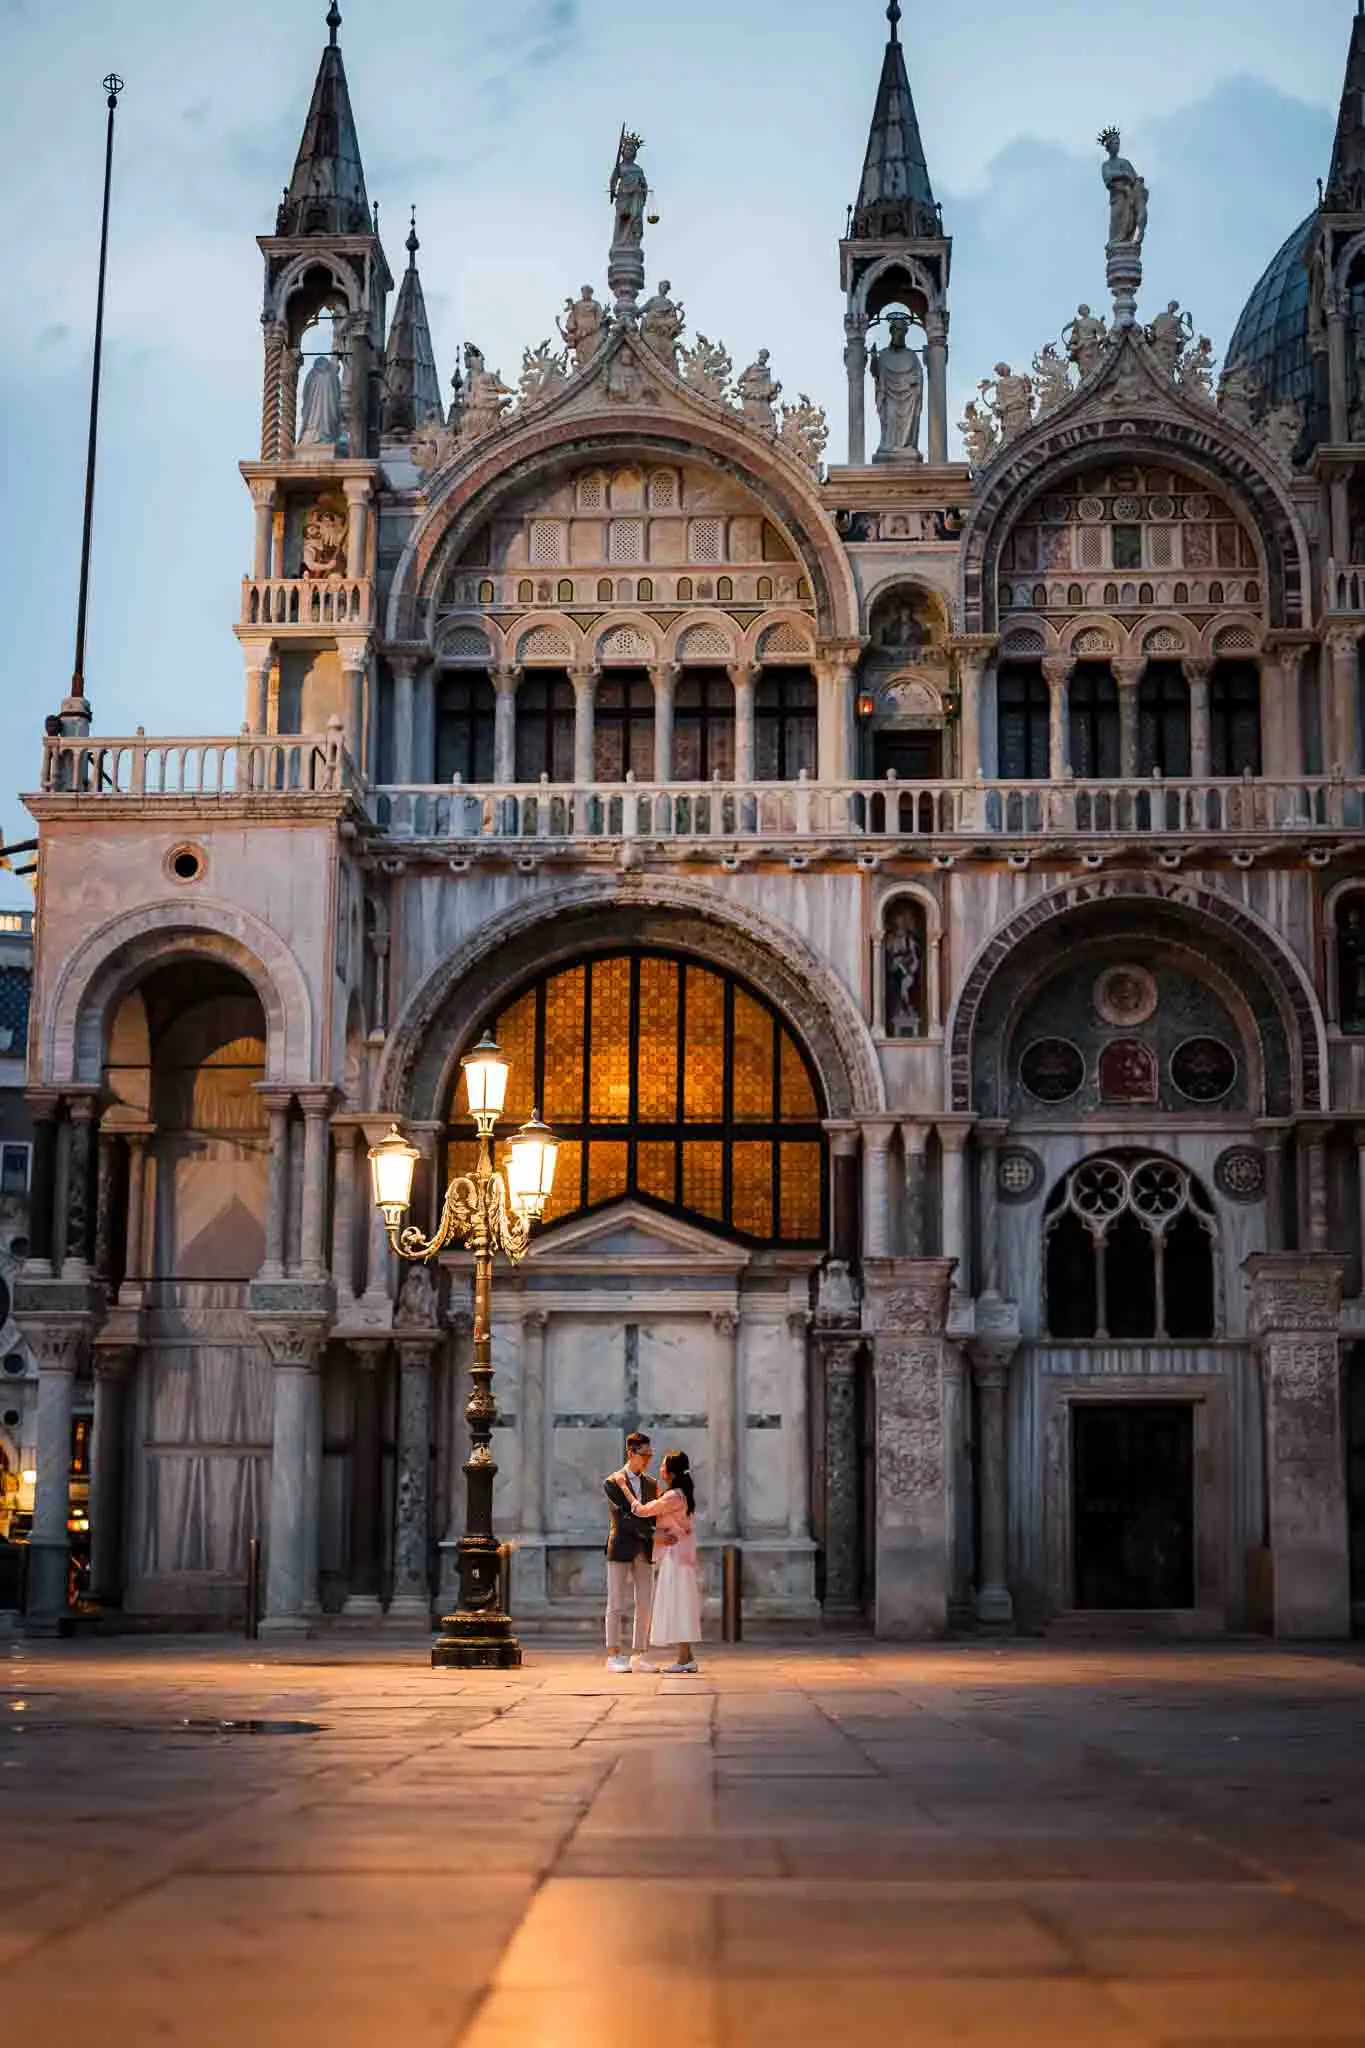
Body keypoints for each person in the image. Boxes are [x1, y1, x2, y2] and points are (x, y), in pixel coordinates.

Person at [628, 1449, 701, 1674]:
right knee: (680, 1604)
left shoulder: (673, 1497)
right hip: (680, 1557)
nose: (660, 1469)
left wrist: (626, 1493)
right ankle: (686, 1657)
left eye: (663, 1465)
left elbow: (642, 1511)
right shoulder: (681, 1495)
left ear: (671, 1471)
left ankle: (684, 1658)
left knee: (677, 1604)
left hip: (675, 1558)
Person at [603, 1431, 657, 1673]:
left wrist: (652, 1533)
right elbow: (623, 1517)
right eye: (643, 1454)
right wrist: (649, 1532)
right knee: (616, 1602)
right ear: (631, 1452)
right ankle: (613, 1654)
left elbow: (652, 1516)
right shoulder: (613, 1482)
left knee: (645, 1602)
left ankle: (639, 1654)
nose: (647, 1459)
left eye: (650, 1455)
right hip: (622, 1546)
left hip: (645, 1550)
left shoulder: (652, 1484)